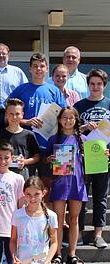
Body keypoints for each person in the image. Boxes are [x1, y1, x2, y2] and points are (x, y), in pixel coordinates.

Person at [9, 52, 66, 176]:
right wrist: (26, 122)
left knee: (49, 184)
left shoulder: (54, 91)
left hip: (49, 144)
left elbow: (64, 117)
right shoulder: (20, 90)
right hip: (26, 145)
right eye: (35, 66)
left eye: (41, 66)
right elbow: (7, 116)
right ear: (30, 69)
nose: (38, 69)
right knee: (24, 184)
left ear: (46, 69)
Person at [45, 107, 88, 263]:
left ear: (76, 120)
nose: (68, 120)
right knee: (59, 219)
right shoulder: (53, 139)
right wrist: (49, 159)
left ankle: (72, 254)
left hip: (77, 182)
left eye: (71, 118)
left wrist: (104, 155)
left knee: (74, 219)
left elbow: (92, 159)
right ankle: (57, 254)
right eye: (65, 117)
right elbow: (46, 159)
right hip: (60, 183)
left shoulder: (83, 139)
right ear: (59, 119)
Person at [74, 68, 110, 248]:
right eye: (92, 84)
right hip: (83, 158)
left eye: (99, 84)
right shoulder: (79, 106)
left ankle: (98, 234)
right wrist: (84, 127)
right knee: (81, 197)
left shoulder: (109, 105)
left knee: (100, 197)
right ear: (88, 85)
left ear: (104, 85)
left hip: (103, 158)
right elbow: (70, 130)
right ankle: (78, 233)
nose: (95, 87)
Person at [10, 176, 58, 264]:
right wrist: (14, 256)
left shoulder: (51, 216)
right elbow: (13, 239)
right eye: (28, 194)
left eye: (36, 194)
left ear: (43, 193)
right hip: (23, 261)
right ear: (24, 193)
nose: (32, 198)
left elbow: (54, 242)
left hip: (42, 260)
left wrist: (48, 260)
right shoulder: (17, 215)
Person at [0, 98, 40, 179]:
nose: (14, 117)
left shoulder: (29, 135)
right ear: (6, 115)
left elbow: (37, 156)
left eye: (17, 114)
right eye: (11, 114)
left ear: (22, 115)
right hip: (3, 176)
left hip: (23, 176)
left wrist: (25, 161)